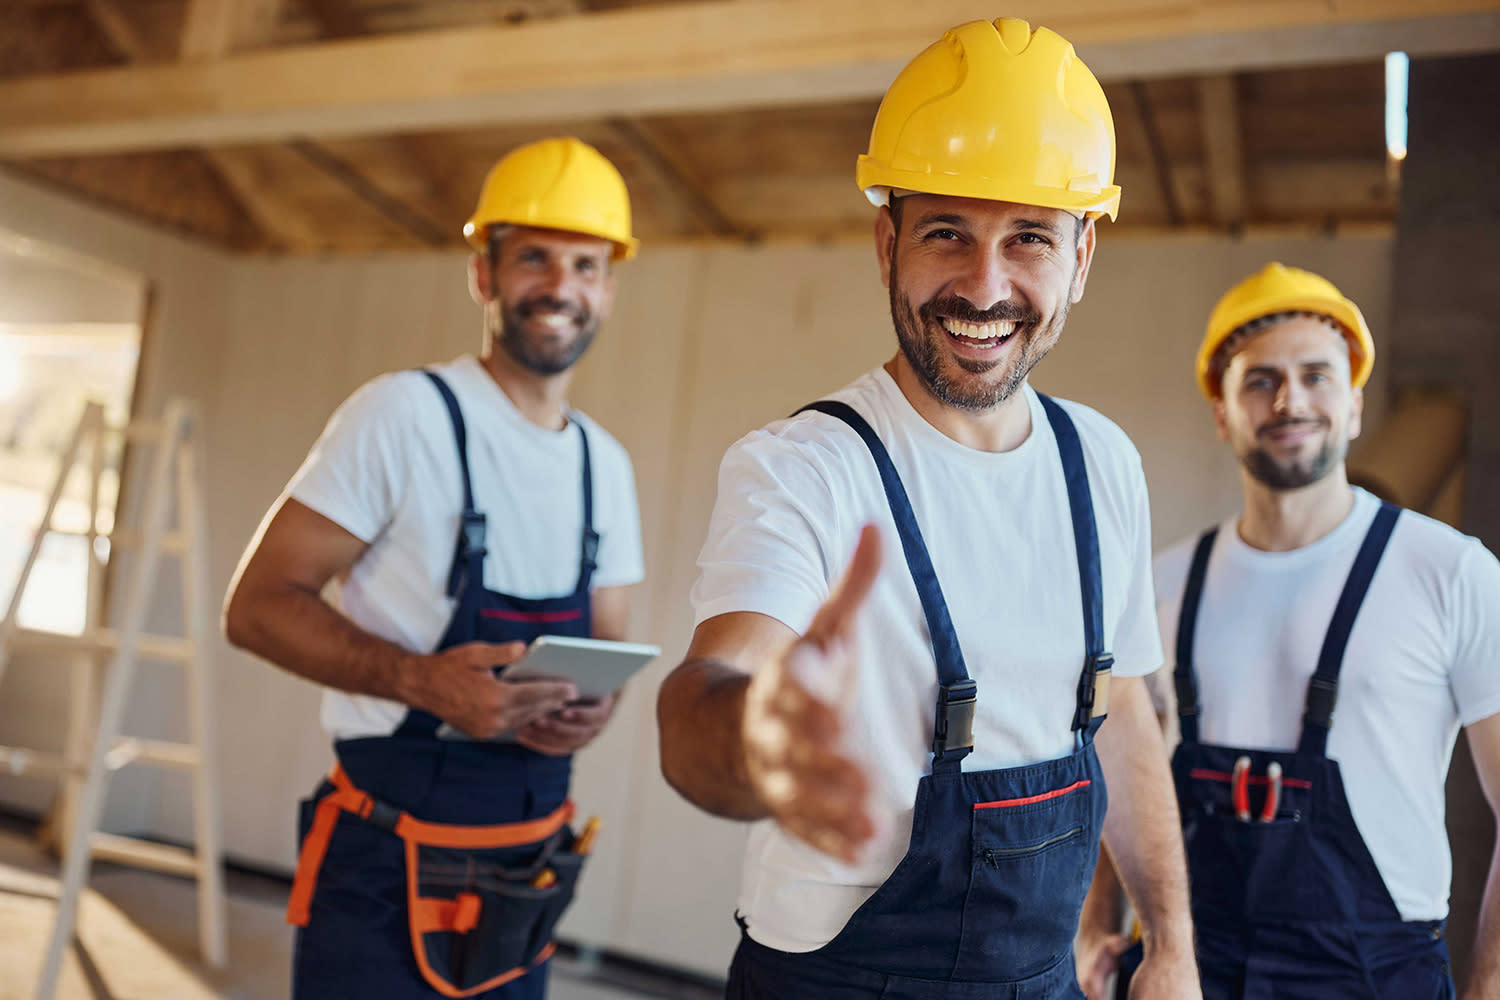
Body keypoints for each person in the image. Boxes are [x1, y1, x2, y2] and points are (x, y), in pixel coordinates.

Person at [655, 18, 1199, 999]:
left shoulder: (1101, 466)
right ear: (887, 241)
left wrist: (1172, 941)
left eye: (1028, 238)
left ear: (1081, 257)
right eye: (946, 231)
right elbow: (706, 692)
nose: (983, 287)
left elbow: (1121, 721)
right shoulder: (807, 469)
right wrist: (756, 741)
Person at [223, 136, 646, 999]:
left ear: (608, 286)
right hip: (387, 863)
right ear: (483, 273)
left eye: (586, 264)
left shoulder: (608, 465)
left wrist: (592, 710)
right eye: (534, 257)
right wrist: (421, 681)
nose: (561, 287)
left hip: (527, 876)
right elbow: (257, 606)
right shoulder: (403, 416)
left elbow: (608, 645)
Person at [1079, 263, 1500, 999]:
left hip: (1374, 975)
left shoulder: (1449, 572)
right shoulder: (1165, 583)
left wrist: (1488, 985)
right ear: (1223, 413)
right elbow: (1120, 768)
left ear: (1356, 402)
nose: (1290, 400)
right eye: (1260, 380)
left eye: (1316, 375)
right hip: (1192, 971)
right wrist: (1095, 927)